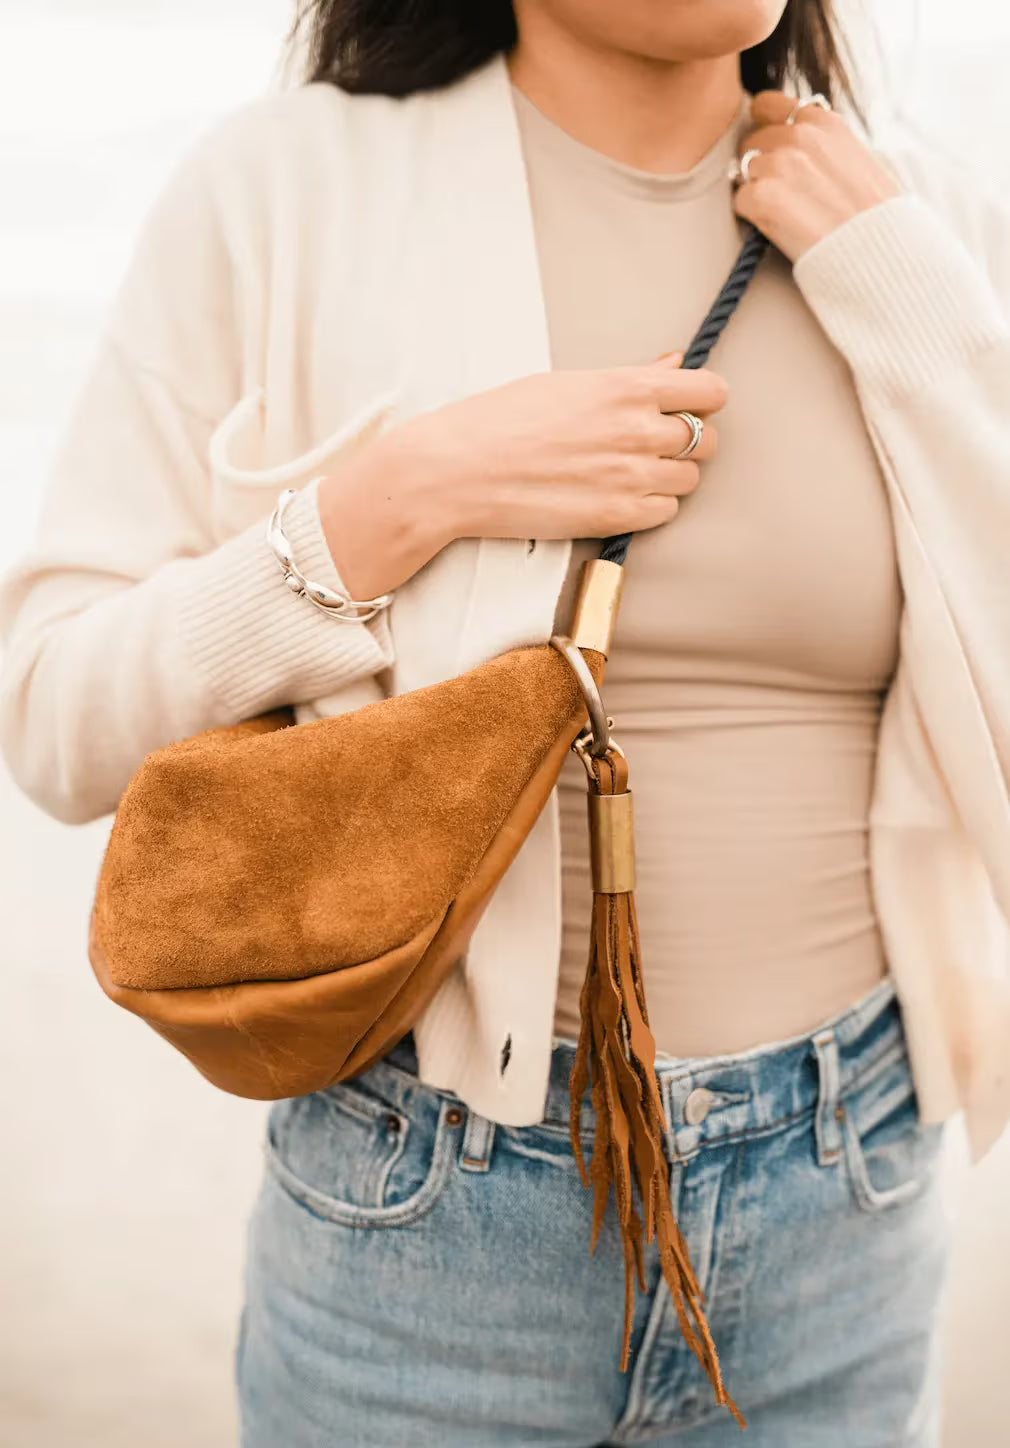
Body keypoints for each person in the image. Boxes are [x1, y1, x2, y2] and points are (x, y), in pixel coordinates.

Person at [3, 0, 1010, 1442]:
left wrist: (924, 318)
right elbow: (53, 717)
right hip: (424, 1222)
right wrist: (382, 510)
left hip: (845, 1194)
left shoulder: (921, 219)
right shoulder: (285, 190)